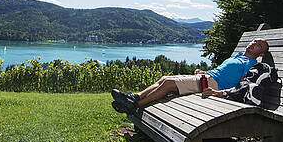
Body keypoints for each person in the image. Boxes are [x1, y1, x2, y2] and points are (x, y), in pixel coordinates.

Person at [111, 38, 269, 114]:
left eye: (258, 45)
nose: (253, 43)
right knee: (165, 78)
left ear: (260, 53)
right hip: (208, 78)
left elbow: (242, 86)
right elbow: (221, 70)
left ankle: (135, 106)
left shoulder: (252, 65)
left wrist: (218, 93)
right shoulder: (238, 56)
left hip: (213, 85)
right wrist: (204, 73)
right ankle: (134, 96)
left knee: (168, 85)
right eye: (254, 41)